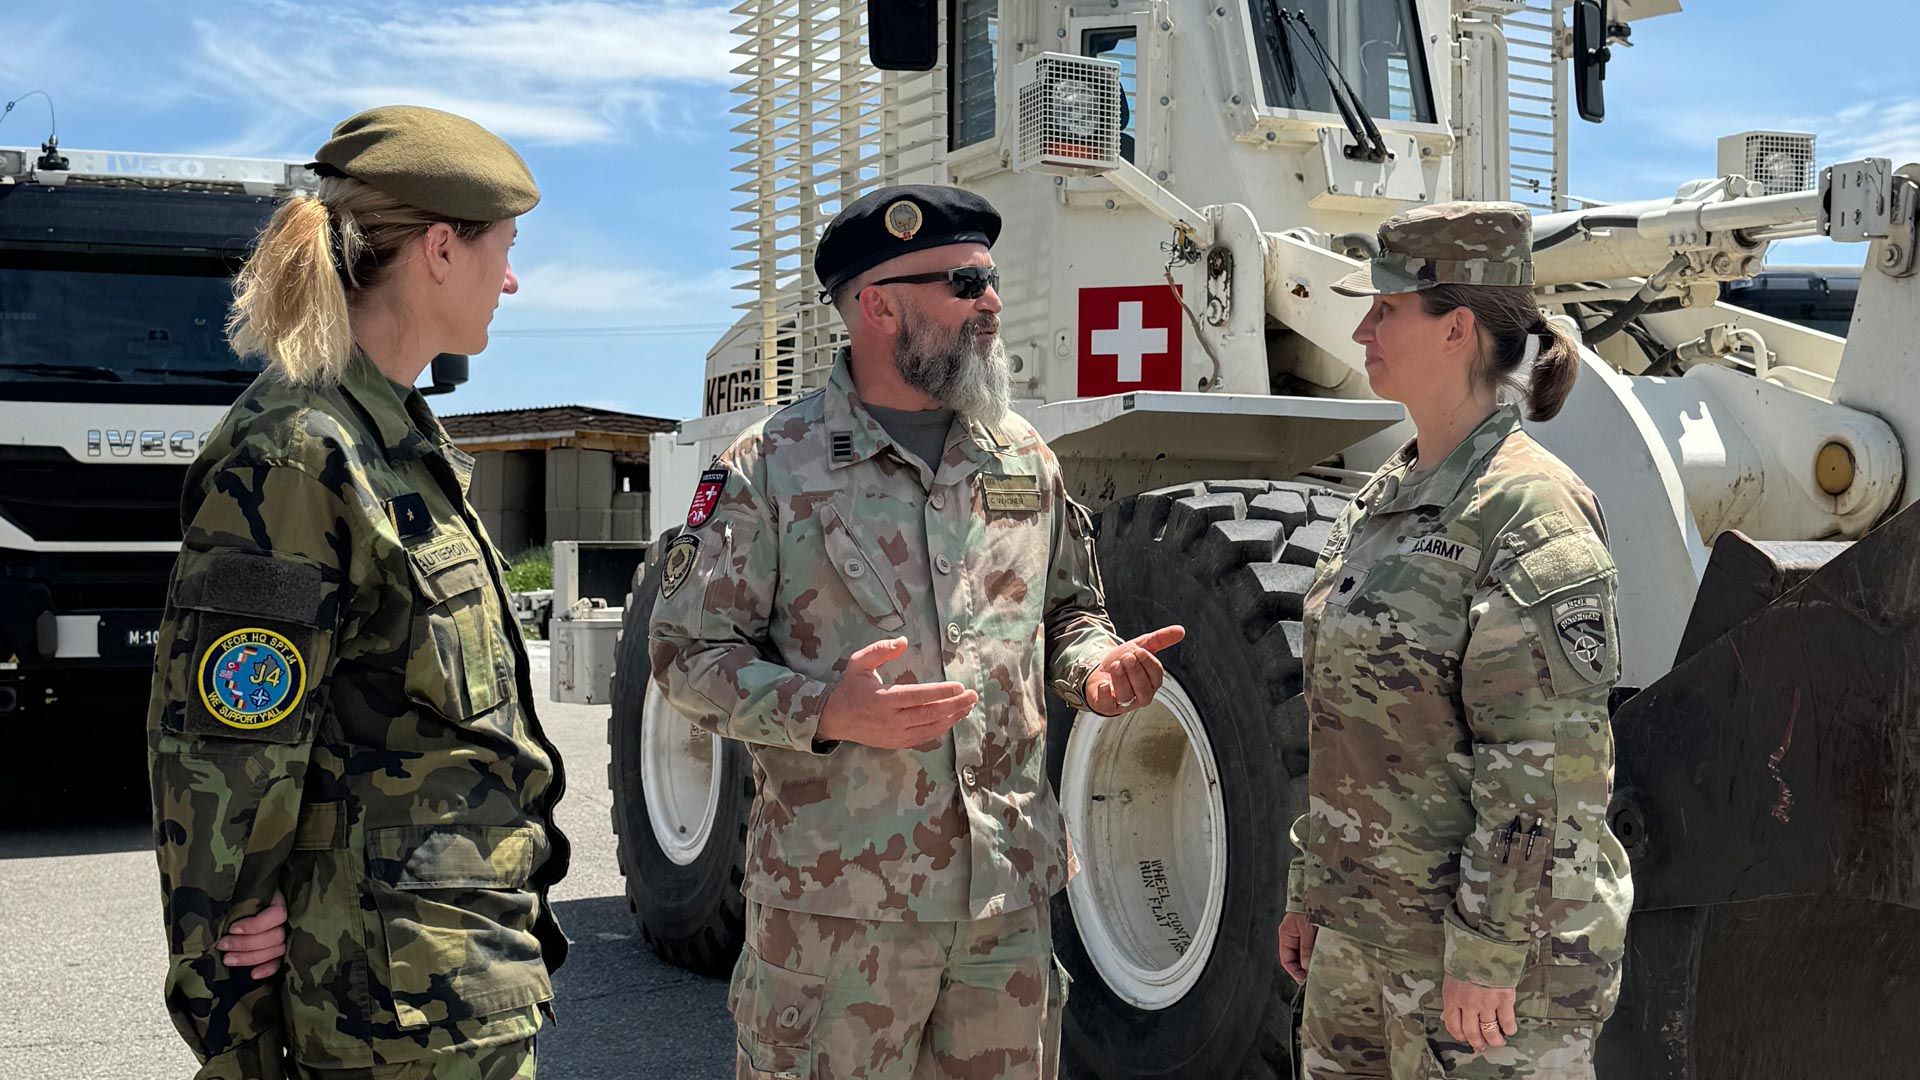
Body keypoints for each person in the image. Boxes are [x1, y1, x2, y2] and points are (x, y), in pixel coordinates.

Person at [648, 183, 1184, 1079]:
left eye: (991, 280)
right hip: (836, 925)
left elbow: (1065, 614)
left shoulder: (1021, 457)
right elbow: (685, 656)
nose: (992, 304)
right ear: (878, 305)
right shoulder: (772, 467)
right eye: (965, 284)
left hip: (1003, 913)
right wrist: (826, 709)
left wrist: (1095, 668)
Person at [146, 105, 569, 1080]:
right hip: (383, 1015)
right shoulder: (300, 454)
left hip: (453, 984)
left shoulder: (397, 442)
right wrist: (233, 1023)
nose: (510, 280)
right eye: (501, 249)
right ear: (438, 249)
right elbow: (225, 766)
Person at [1276, 202, 1633, 1078]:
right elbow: (1345, 729)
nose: (1362, 327)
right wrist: (1312, 894)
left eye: (1386, 308)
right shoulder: (1388, 496)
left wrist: (1486, 953)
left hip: (1482, 977)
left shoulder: (1528, 510)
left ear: (1457, 327)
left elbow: (1546, 765)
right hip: (1364, 945)